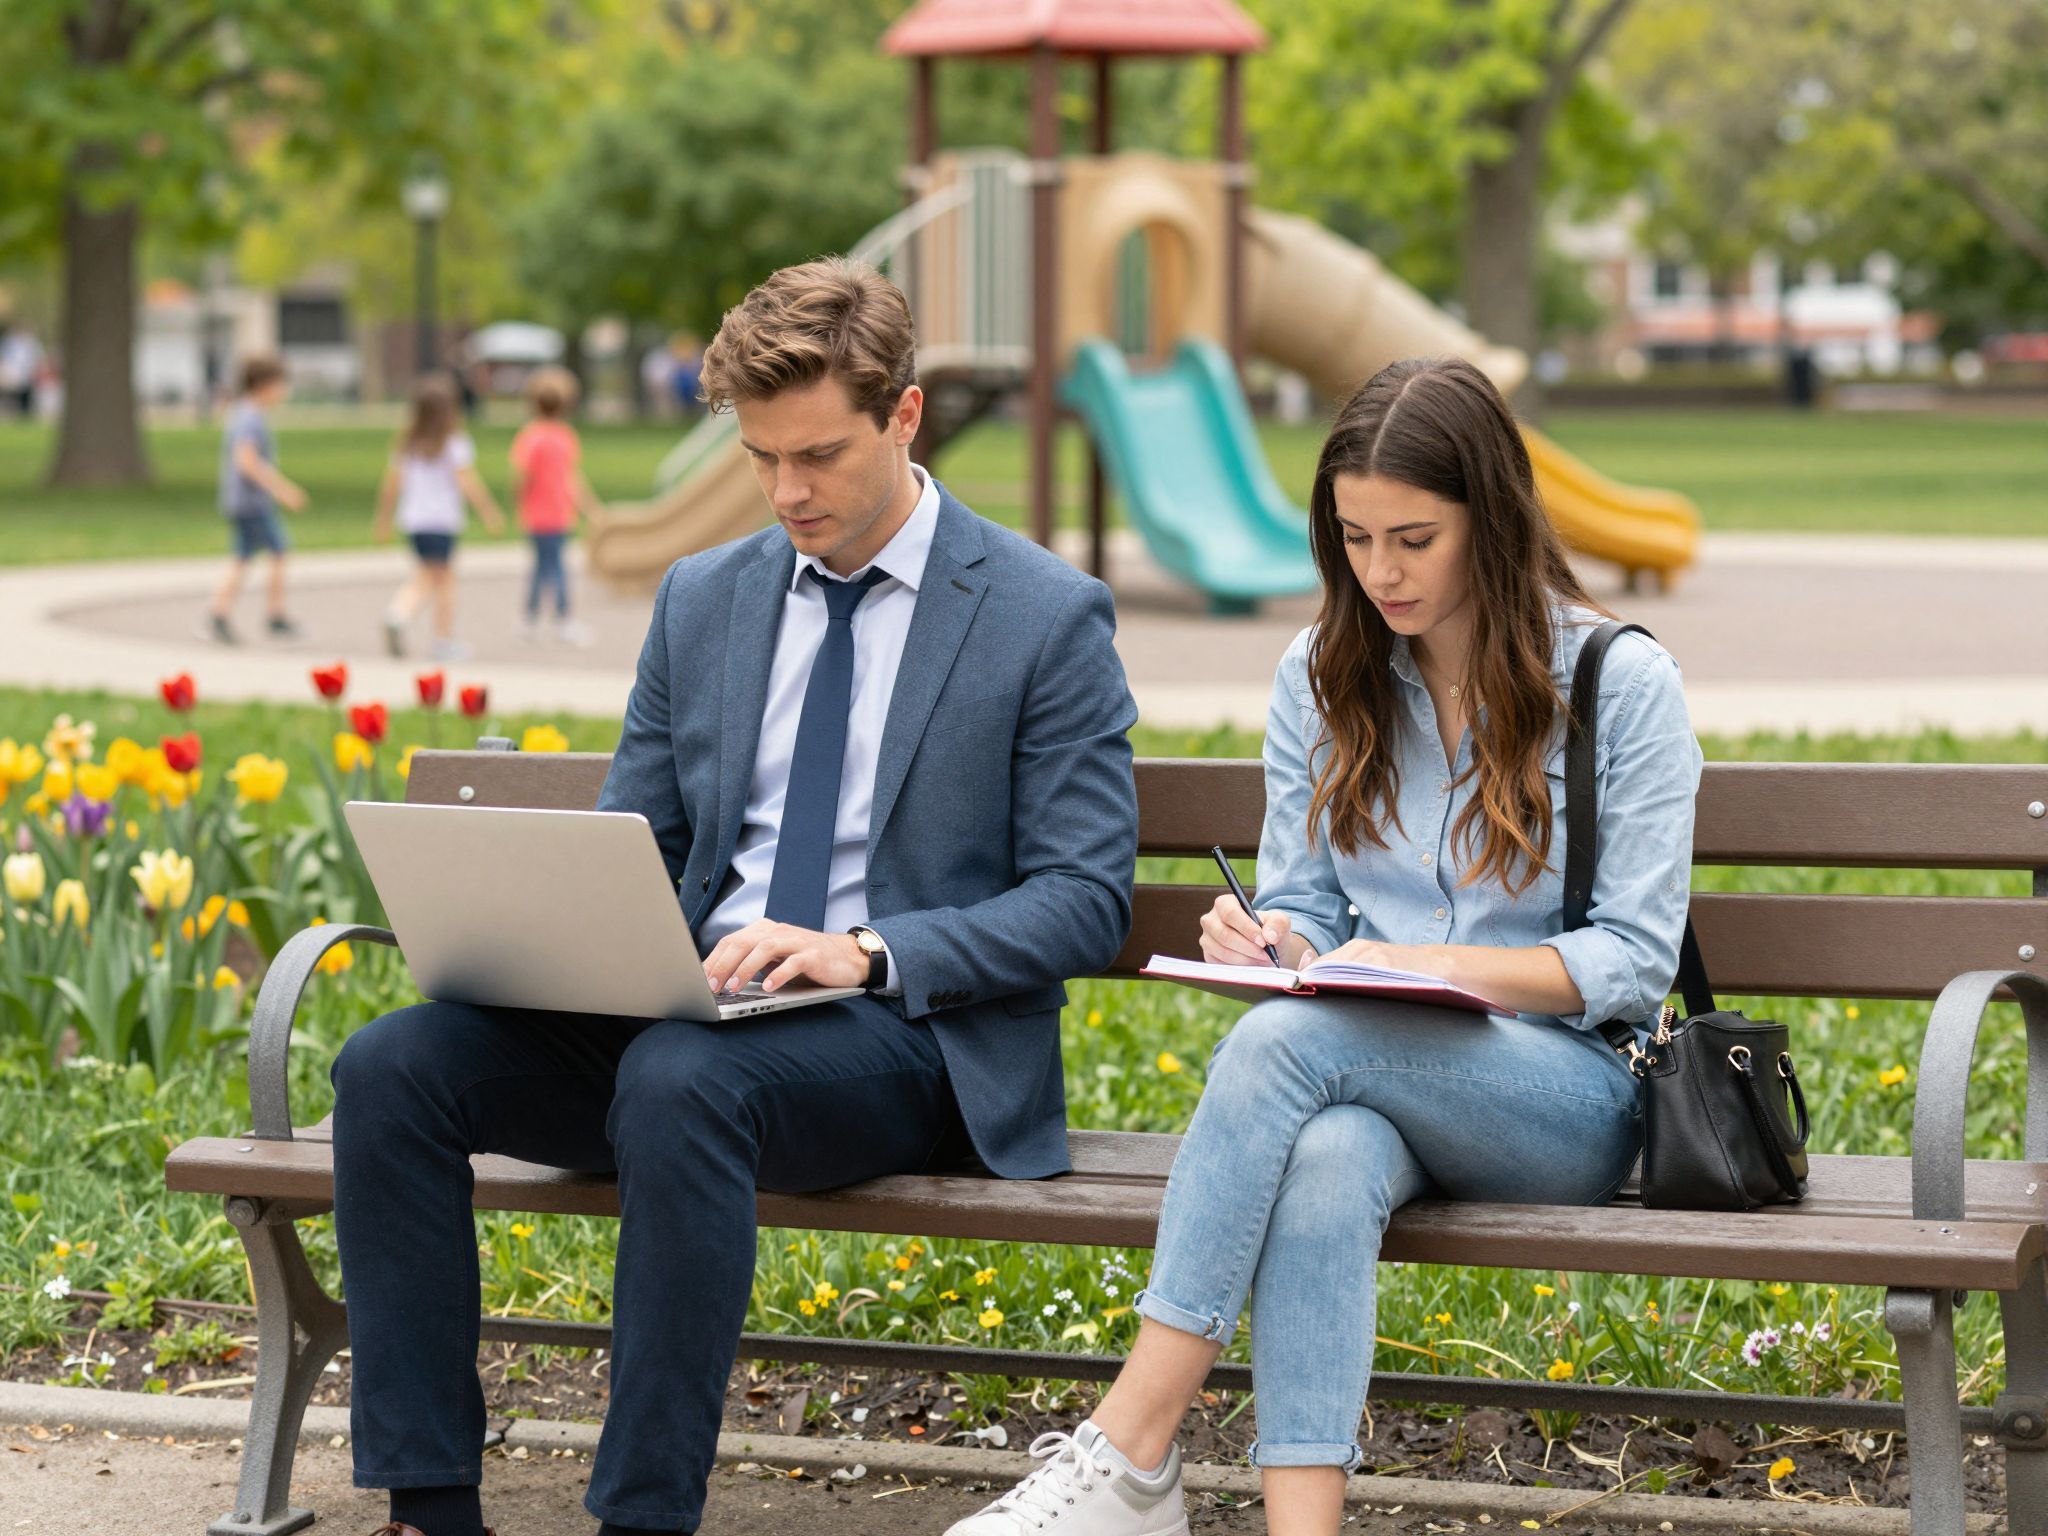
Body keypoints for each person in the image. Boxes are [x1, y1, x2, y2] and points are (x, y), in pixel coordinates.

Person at [328, 258, 1140, 1536]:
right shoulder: (704, 598)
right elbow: (637, 837)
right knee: (393, 1068)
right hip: (694, 1009)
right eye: (761, 458)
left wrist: (860, 950)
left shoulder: (1040, 616)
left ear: (905, 415)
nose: (786, 492)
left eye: (817, 455)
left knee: (676, 1083)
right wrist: (559, 932)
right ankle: (430, 1510)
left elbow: (1085, 901)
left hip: (903, 1043)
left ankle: (641, 1518)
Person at [951, 358, 1701, 1536]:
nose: (1380, 571)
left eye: (1413, 537)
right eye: (1353, 538)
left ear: (1489, 524)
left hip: (1569, 1094)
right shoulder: (1320, 675)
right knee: (1327, 1154)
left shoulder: (1617, 681)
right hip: (1379, 1078)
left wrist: (1423, 969)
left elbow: (1630, 960)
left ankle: (1130, 1449)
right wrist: (1271, 940)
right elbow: (1308, 902)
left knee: (1284, 1047)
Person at [372, 373, 507, 661]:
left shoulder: (407, 444)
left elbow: (391, 484)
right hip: (442, 521)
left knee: (426, 574)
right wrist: (489, 511)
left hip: (414, 521)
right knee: (443, 582)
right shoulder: (455, 443)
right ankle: (435, 635)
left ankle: (399, 615)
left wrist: (382, 520)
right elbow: (467, 482)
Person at [207, 356, 307, 645]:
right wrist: (282, 489)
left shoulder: (244, 413)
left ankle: (220, 612)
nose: (283, 392)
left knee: (243, 556)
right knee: (278, 550)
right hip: (251, 502)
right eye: (280, 385)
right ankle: (274, 616)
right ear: (264, 385)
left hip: (243, 501)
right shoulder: (250, 418)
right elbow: (246, 461)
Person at [510, 365, 601, 646]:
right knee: (556, 568)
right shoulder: (564, 436)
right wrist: (590, 506)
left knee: (542, 566)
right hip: (558, 515)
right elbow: (572, 478)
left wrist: (519, 504)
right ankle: (564, 620)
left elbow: (522, 476)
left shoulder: (530, 436)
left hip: (538, 516)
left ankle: (529, 619)